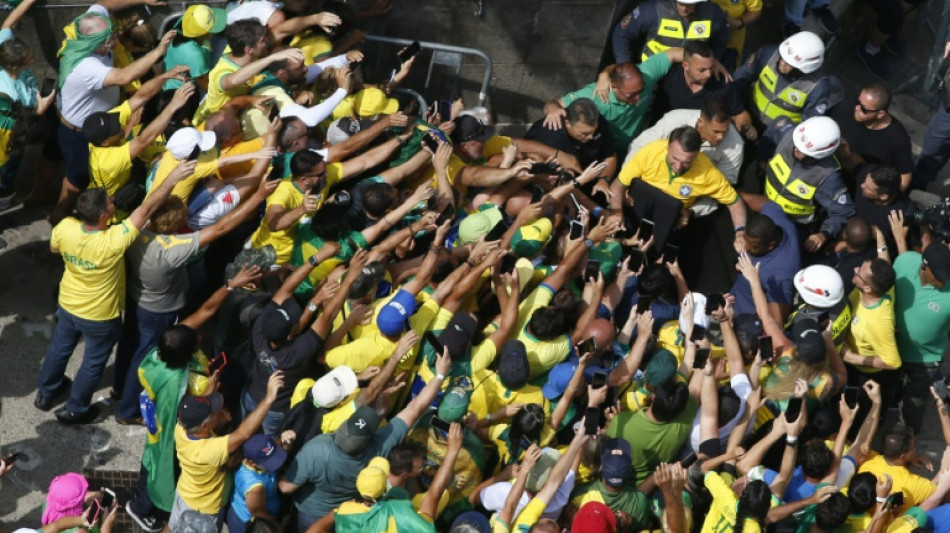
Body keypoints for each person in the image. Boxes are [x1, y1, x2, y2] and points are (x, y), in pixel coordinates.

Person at [34, 160, 196, 425]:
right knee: (92, 363)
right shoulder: (114, 240)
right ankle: (76, 409)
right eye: (110, 203)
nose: (114, 202)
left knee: (60, 348)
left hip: (67, 302)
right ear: (102, 216)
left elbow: (54, 249)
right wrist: (173, 177)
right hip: (99, 316)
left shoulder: (65, 228)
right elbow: (147, 208)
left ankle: (46, 392)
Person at [125, 265, 262, 533]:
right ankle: (144, 509)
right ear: (187, 354)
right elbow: (189, 412)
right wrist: (211, 390)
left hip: (155, 427)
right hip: (169, 433)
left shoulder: (161, 352)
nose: (201, 336)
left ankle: (141, 503)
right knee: (161, 471)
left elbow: (205, 312)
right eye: (197, 341)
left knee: (150, 462)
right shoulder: (181, 384)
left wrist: (232, 284)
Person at [278, 345, 451, 532]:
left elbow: (286, 488)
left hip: (307, 513)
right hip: (343, 516)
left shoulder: (316, 449)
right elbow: (415, 408)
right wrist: (440, 375)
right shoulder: (378, 448)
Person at [51, 2, 175, 224]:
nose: (115, 42)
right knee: (76, 178)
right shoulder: (87, 66)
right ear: (93, 42)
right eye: (109, 40)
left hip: (82, 123)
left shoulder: (89, 25)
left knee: (59, 162)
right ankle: (60, 215)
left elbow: (103, 4)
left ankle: (42, 196)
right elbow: (124, 77)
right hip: (78, 133)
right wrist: (159, 51)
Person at [169, 371, 285, 529]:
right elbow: (244, 433)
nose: (219, 410)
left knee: (173, 527)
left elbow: (194, 411)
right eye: (214, 412)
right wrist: (269, 398)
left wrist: (209, 389)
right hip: (204, 510)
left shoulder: (181, 428)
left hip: (184, 495)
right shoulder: (208, 452)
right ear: (204, 426)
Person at [611, 125, 748, 252]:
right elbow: (618, 185)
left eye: (686, 162)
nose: (678, 167)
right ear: (668, 147)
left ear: (696, 155)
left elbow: (734, 202)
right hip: (632, 215)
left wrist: (740, 231)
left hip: (667, 229)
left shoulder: (707, 173)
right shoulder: (650, 152)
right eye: (675, 158)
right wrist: (617, 212)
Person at [543, 49, 679, 158]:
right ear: (613, 87)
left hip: (634, 148)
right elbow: (554, 103)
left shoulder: (646, 75)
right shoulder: (593, 96)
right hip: (603, 155)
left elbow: (672, 53)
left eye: (641, 91)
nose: (637, 98)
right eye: (630, 95)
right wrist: (553, 108)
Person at [628, 98, 744, 212]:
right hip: (646, 187)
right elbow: (638, 147)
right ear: (701, 122)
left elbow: (721, 190)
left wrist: (693, 212)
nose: (721, 137)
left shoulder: (735, 146)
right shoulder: (675, 120)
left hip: (683, 205)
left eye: (725, 131)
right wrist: (627, 186)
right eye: (716, 132)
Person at [762, 115, 854, 253]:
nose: (796, 150)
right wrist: (761, 159)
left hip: (794, 226)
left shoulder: (828, 176)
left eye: (803, 151)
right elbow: (769, 136)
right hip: (763, 206)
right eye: (796, 145)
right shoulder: (788, 133)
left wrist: (824, 234)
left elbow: (842, 212)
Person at [192, 19, 304, 125]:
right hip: (215, 128)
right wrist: (272, 58)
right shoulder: (222, 73)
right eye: (262, 41)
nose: (267, 42)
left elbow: (280, 31)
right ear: (248, 50)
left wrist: (315, 19)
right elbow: (233, 81)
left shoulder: (239, 48)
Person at [733, 31, 830, 153]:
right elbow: (741, 78)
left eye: (790, 64)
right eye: (782, 58)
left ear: (805, 69)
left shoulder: (818, 87)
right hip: (745, 115)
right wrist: (735, 109)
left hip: (775, 136)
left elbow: (809, 125)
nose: (782, 64)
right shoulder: (769, 53)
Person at [891, 242, 950, 435]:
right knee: (889, 392)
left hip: (925, 361)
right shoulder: (903, 261)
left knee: (914, 406)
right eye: (939, 276)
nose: (944, 281)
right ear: (924, 267)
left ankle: (909, 440)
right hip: (892, 350)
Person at [731, 196, 800, 322]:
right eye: (745, 240)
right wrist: (730, 194)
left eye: (753, 246)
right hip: (733, 296)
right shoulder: (775, 218)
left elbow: (776, 322)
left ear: (770, 245)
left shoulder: (781, 275)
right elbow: (765, 203)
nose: (745, 247)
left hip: (744, 317)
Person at [833, 84, 913, 191]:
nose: (857, 108)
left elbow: (905, 175)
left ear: (880, 114)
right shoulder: (847, 107)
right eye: (857, 102)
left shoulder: (898, 140)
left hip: (861, 187)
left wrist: (888, 197)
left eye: (864, 109)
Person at [841, 257, 900, 400]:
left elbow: (893, 362)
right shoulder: (881, 284)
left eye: (859, 272)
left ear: (868, 288)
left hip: (867, 374)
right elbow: (884, 264)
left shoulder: (878, 322)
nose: (855, 269)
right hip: (848, 359)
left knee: (861, 408)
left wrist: (851, 358)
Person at [523, 97, 618, 185]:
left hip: (593, 183)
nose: (591, 137)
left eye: (594, 132)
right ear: (568, 124)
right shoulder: (548, 136)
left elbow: (610, 156)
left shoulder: (598, 123)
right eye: (584, 133)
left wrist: (604, 181)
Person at [610, 0, 729, 64]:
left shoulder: (713, 14)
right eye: (681, 2)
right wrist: (624, 64)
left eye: (690, 4)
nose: (684, 8)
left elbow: (721, 39)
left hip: (688, 72)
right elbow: (621, 34)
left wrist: (713, 61)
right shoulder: (653, 10)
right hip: (651, 68)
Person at [226, 434, 288, 533]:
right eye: (270, 462)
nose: (275, 463)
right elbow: (261, 515)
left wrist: (288, 443)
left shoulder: (265, 450)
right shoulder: (255, 488)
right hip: (248, 523)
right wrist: (276, 528)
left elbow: (279, 448)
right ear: (252, 463)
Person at [853, 165, 920, 255]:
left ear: (883, 196)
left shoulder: (904, 214)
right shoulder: (867, 173)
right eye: (865, 180)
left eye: (868, 188)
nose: (862, 185)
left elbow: (916, 247)